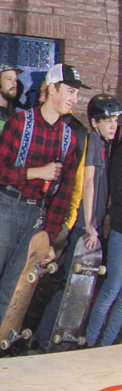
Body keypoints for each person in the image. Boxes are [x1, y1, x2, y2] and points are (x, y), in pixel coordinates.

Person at [0, 63, 87, 360]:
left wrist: (50, 240)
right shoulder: (21, 122)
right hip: (7, 208)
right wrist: (36, 172)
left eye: (77, 93)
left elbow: (63, 195)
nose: (74, 99)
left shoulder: (68, 137)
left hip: (36, 217)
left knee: (11, 291)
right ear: (51, 89)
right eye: (70, 92)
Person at [78, 95, 122, 346]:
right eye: (108, 120)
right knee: (111, 287)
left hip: (103, 223)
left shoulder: (106, 144)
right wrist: (90, 224)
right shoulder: (98, 143)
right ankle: (91, 343)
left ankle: (103, 346)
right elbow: (89, 182)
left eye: (115, 120)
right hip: (112, 227)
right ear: (96, 123)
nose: (113, 125)